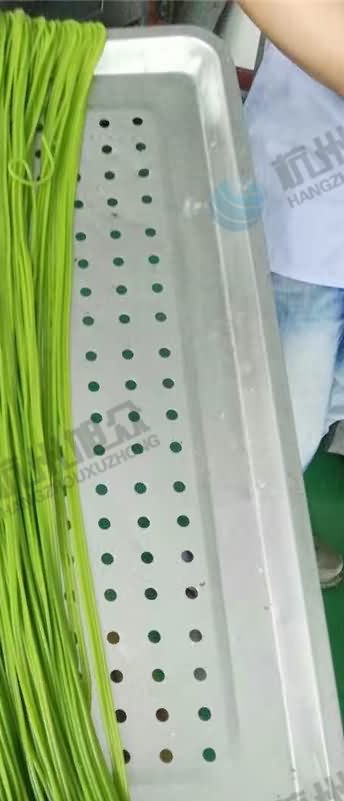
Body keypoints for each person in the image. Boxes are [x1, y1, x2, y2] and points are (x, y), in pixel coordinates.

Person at [240, 0, 344, 588]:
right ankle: (246, 543)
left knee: (327, 405)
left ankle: (280, 520)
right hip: (310, 210)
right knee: (277, 417)